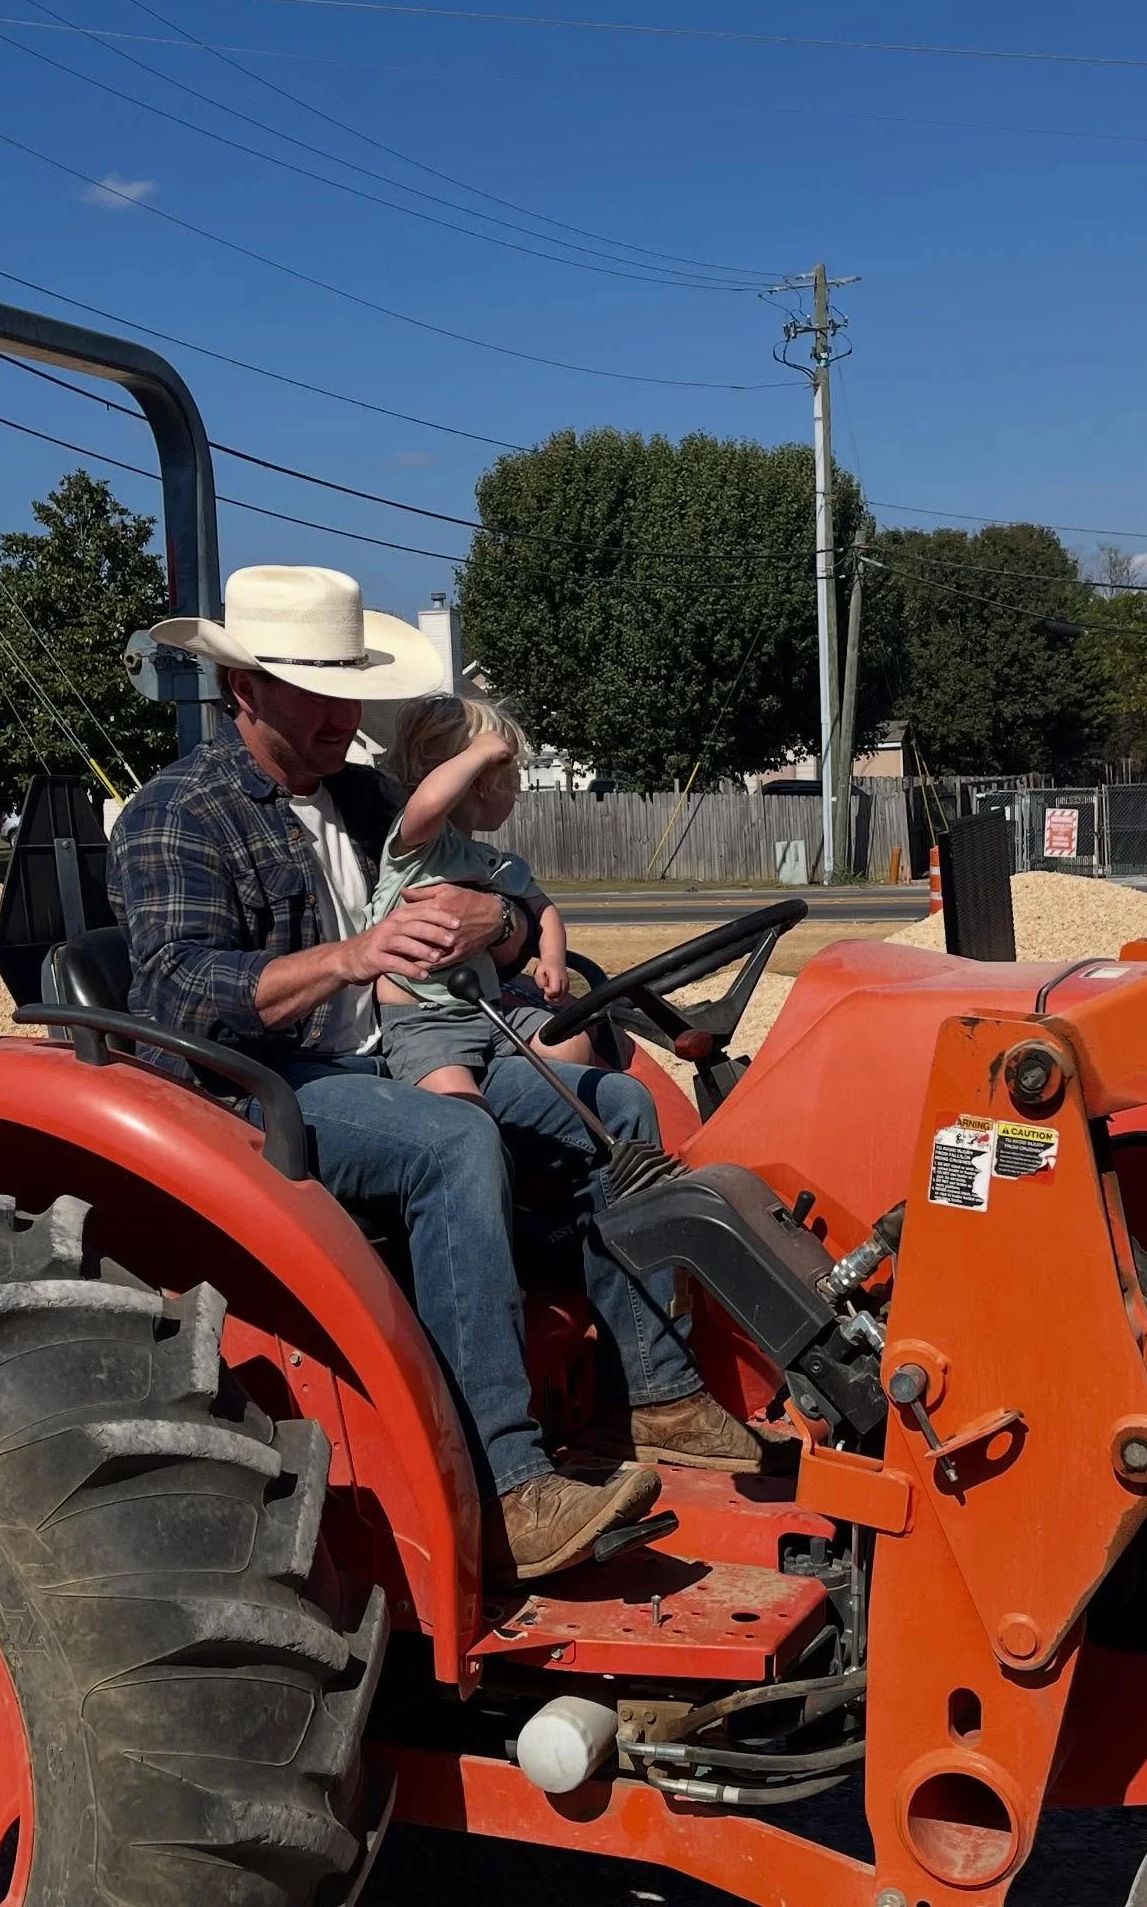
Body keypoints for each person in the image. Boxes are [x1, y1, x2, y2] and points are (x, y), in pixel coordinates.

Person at [108, 565, 784, 1583]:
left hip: (391, 1046)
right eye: (316, 687)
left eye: (350, 684)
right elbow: (174, 990)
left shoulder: (370, 795)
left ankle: (658, 1395)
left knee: (618, 1102)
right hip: (260, 1082)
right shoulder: (180, 815)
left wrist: (502, 923)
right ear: (244, 690)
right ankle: (507, 1486)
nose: (345, 710)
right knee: (453, 1139)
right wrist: (350, 955)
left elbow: (482, 903)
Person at [369, 694, 589, 1107]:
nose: (517, 794)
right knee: (463, 1108)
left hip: (488, 1011)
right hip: (423, 1021)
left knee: (572, 1043)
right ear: (483, 784)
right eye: (512, 781)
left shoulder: (496, 864)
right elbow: (430, 802)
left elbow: (544, 910)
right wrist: (482, 751)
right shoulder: (419, 845)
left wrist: (553, 960)